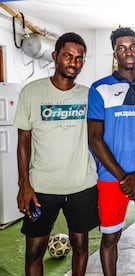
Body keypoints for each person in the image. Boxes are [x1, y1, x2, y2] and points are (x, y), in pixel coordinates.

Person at [14, 32, 99, 275]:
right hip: (41, 187)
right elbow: (23, 141)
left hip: (81, 185)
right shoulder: (31, 92)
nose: (74, 63)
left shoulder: (88, 95)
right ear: (55, 56)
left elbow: (102, 133)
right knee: (34, 252)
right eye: (68, 56)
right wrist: (24, 185)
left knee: (81, 246)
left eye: (79, 58)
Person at [87, 27, 135, 276]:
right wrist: (124, 177)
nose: (128, 51)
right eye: (122, 47)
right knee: (110, 237)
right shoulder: (99, 89)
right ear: (114, 53)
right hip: (111, 178)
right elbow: (94, 138)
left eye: (133, 46)